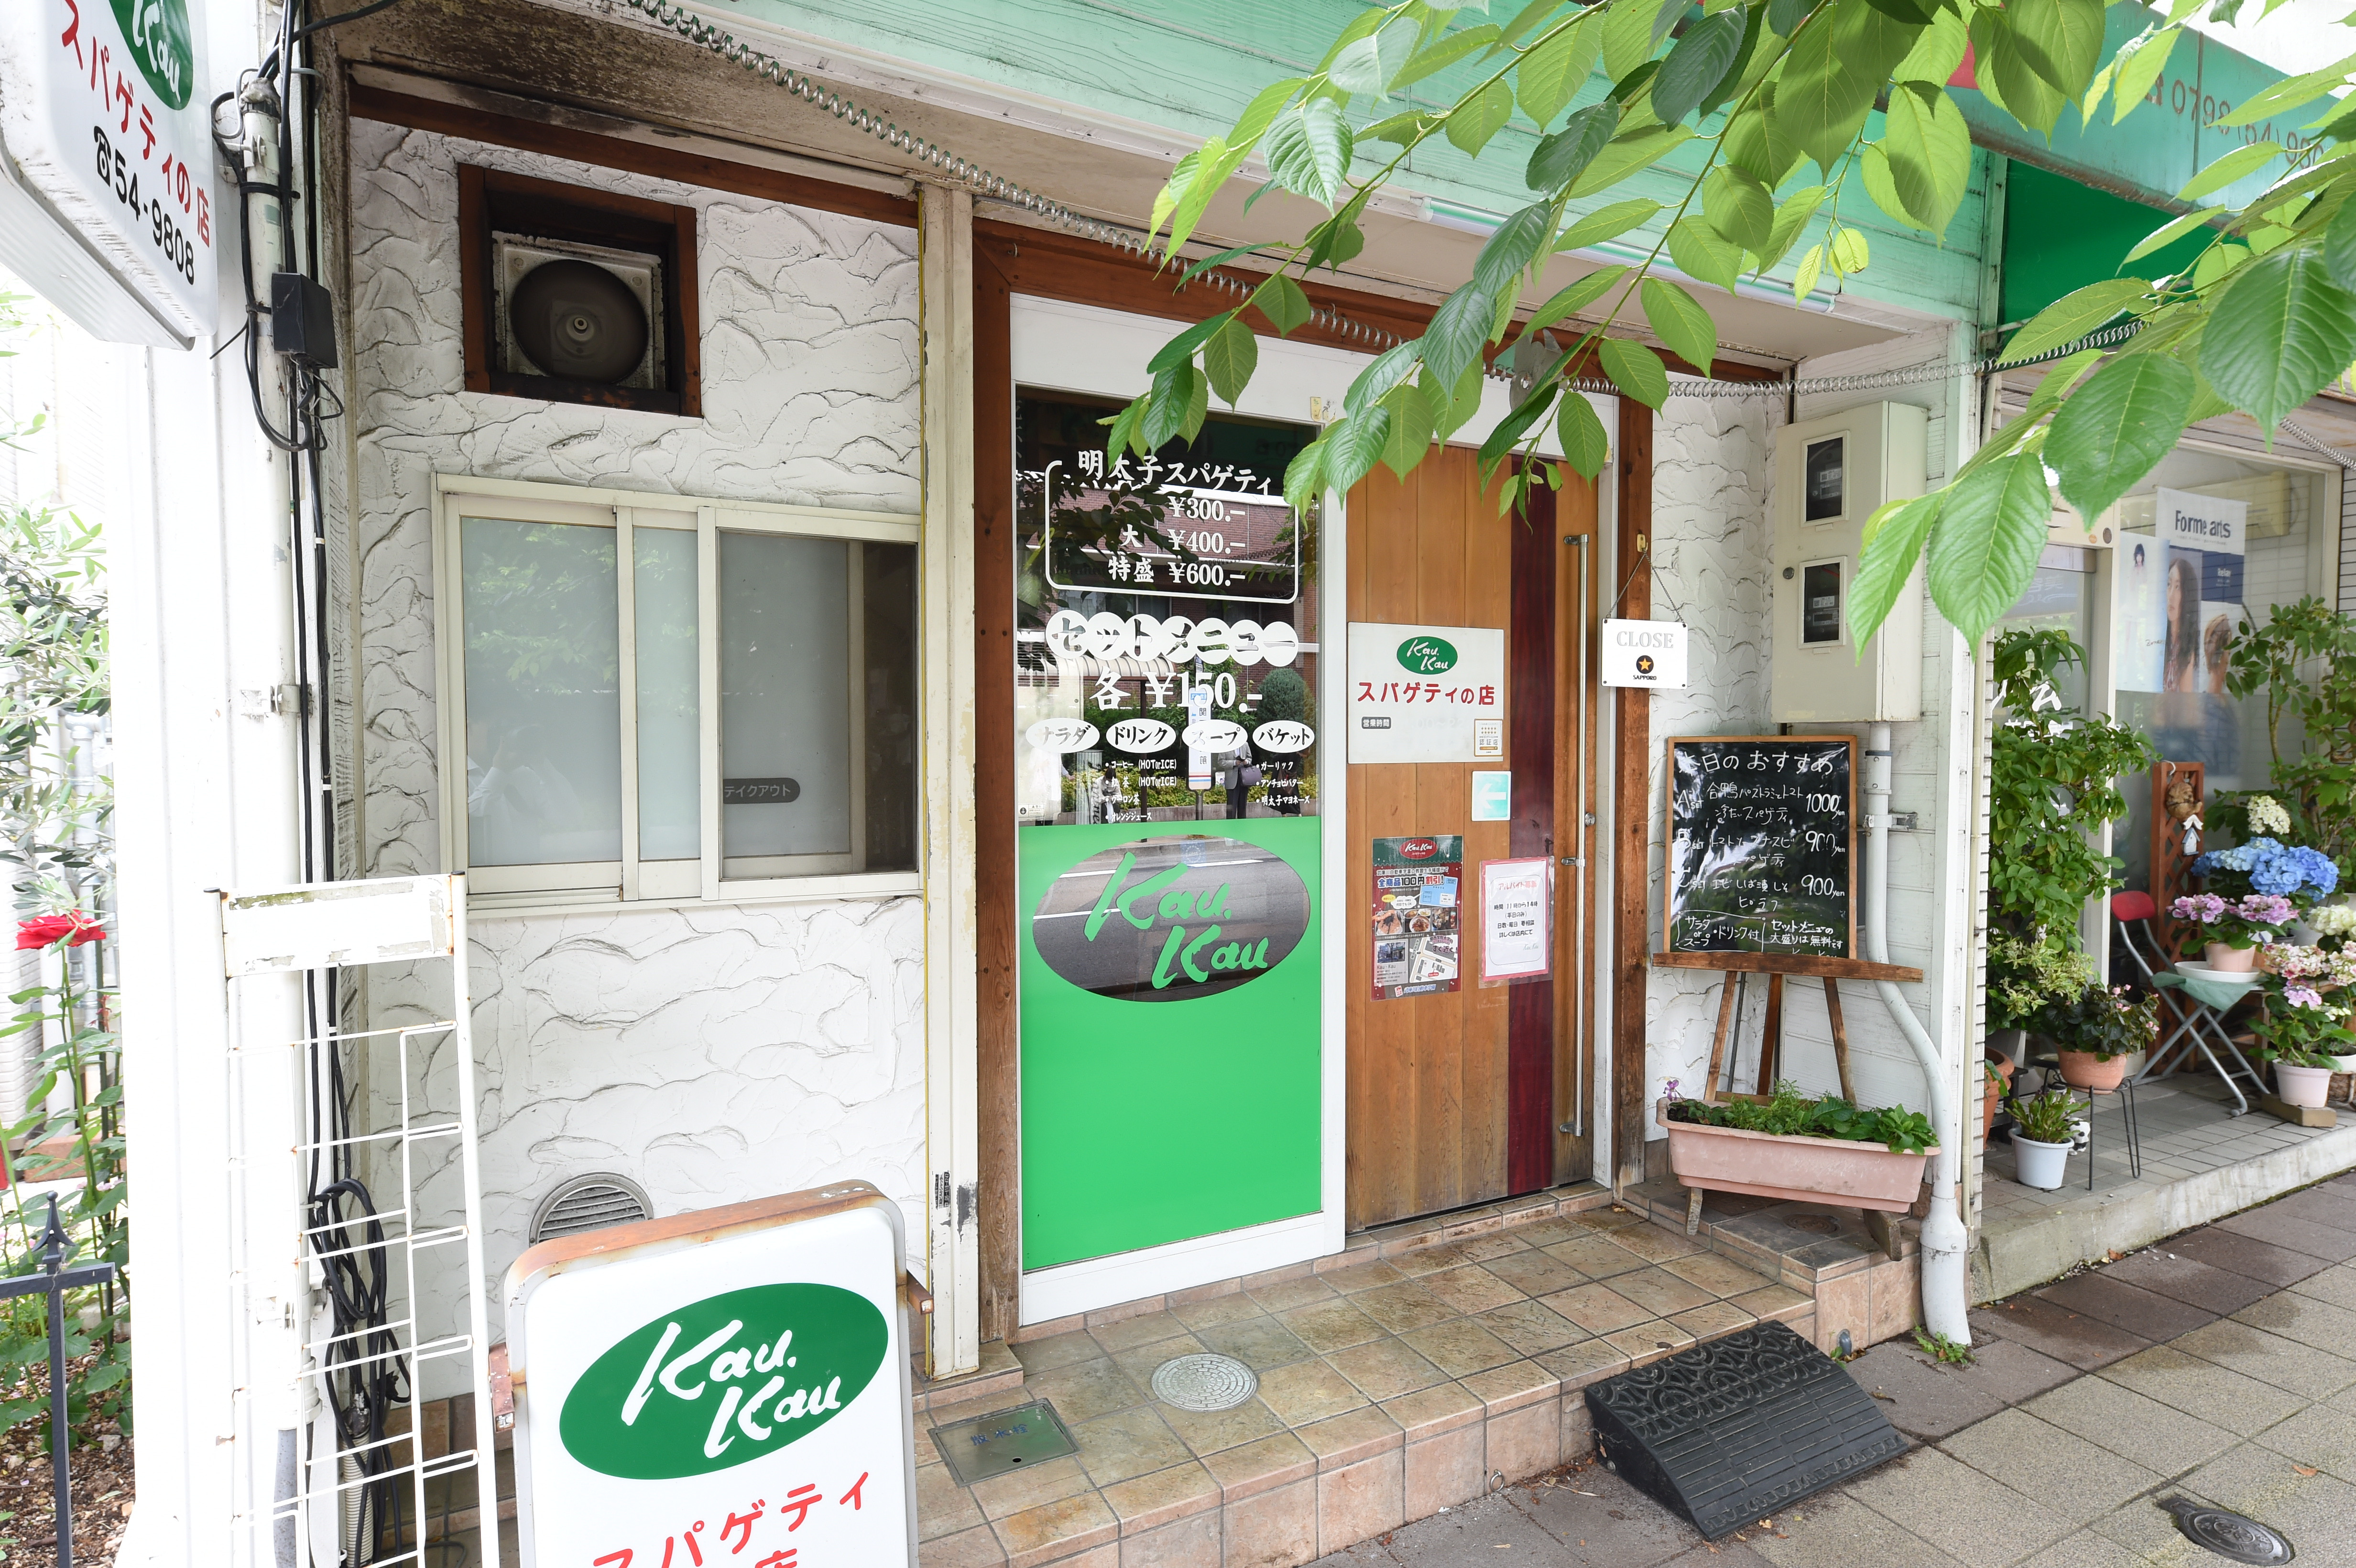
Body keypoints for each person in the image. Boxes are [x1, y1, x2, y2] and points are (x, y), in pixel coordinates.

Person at [2161, 554, 2201, 694]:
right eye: (2169, 584)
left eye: (2178, 587)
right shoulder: (2157, 639)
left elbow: (2186, 697)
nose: (2171, 595)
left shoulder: (2186, 645)